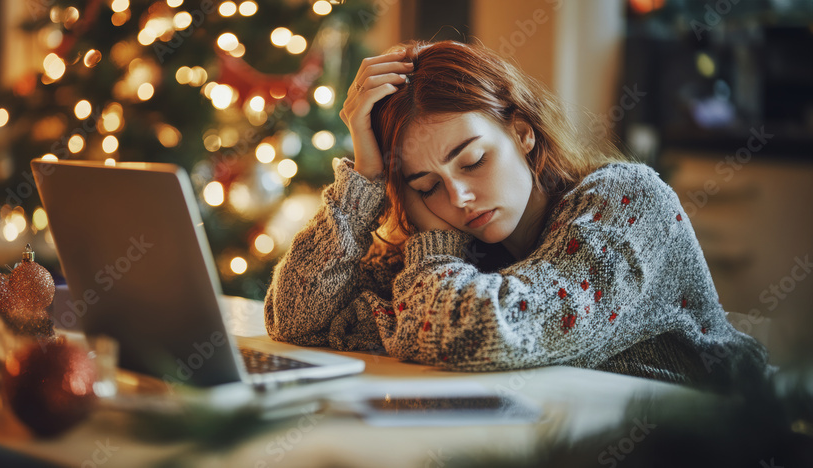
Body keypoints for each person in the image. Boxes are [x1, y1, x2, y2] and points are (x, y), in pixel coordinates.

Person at [263, 40, 769, 392]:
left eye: (473, 160)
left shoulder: (628, 201)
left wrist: (392, 316)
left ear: (522, 133)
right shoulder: (458, 246)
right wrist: (367, 179)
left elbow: (489, 328)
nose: (459, 197)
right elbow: (296, 319)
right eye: (427, 185)